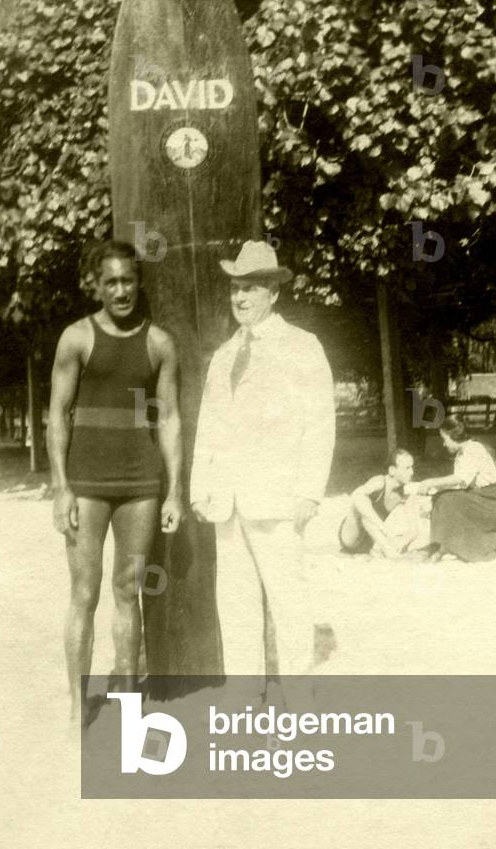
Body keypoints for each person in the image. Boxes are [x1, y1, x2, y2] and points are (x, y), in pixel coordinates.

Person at [47, 239, 183, 719]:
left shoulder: (159, 343)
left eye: (128, 280)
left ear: (138, 282)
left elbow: (168, 419)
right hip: (85, 486)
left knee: (129, 592)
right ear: (97, 286)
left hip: (140, 485)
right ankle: (75, 705)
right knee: (83, 593)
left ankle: (128, 710)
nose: (121, 290)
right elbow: (57, 416)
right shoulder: (76, 339)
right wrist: (61, 487)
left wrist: (175, 491)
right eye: (111, 282)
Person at [190, 240, 336, 677]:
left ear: (274, 292)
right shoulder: (224, 355)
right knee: (236, 608)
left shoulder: (302, 347)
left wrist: (309, 492)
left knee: (289, 603)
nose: (241, 297)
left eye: (252, 288)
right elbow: (210, 425)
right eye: (236, 287)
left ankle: (297, 702)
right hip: (227, 501)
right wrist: (201, 487)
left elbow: (320, 424)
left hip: (277, 499)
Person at [406, 413, 496, 562]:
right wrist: (436, 489)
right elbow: (461, 483)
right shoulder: (463, 452)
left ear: (454, 436)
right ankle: (443, 544)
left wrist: (430, 482)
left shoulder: (473, 449)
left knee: (445, 500)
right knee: (443, 497)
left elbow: (460, 478)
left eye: (445, 439)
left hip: (495, 501)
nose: (444, 444)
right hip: (485, 496)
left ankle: (440, 546)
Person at [333, 448, 430, 558]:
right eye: (407, 468)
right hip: (350, 537)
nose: (412, 472)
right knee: (364, 509)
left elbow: (413, 530)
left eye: (412, 467)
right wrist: (382, 527)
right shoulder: (380, 481)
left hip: (369, 542)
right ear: (392, 470)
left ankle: (389, 550)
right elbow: (356, 495)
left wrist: (401, 542)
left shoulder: (405, 494)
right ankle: (390, 552)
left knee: (398, 534)